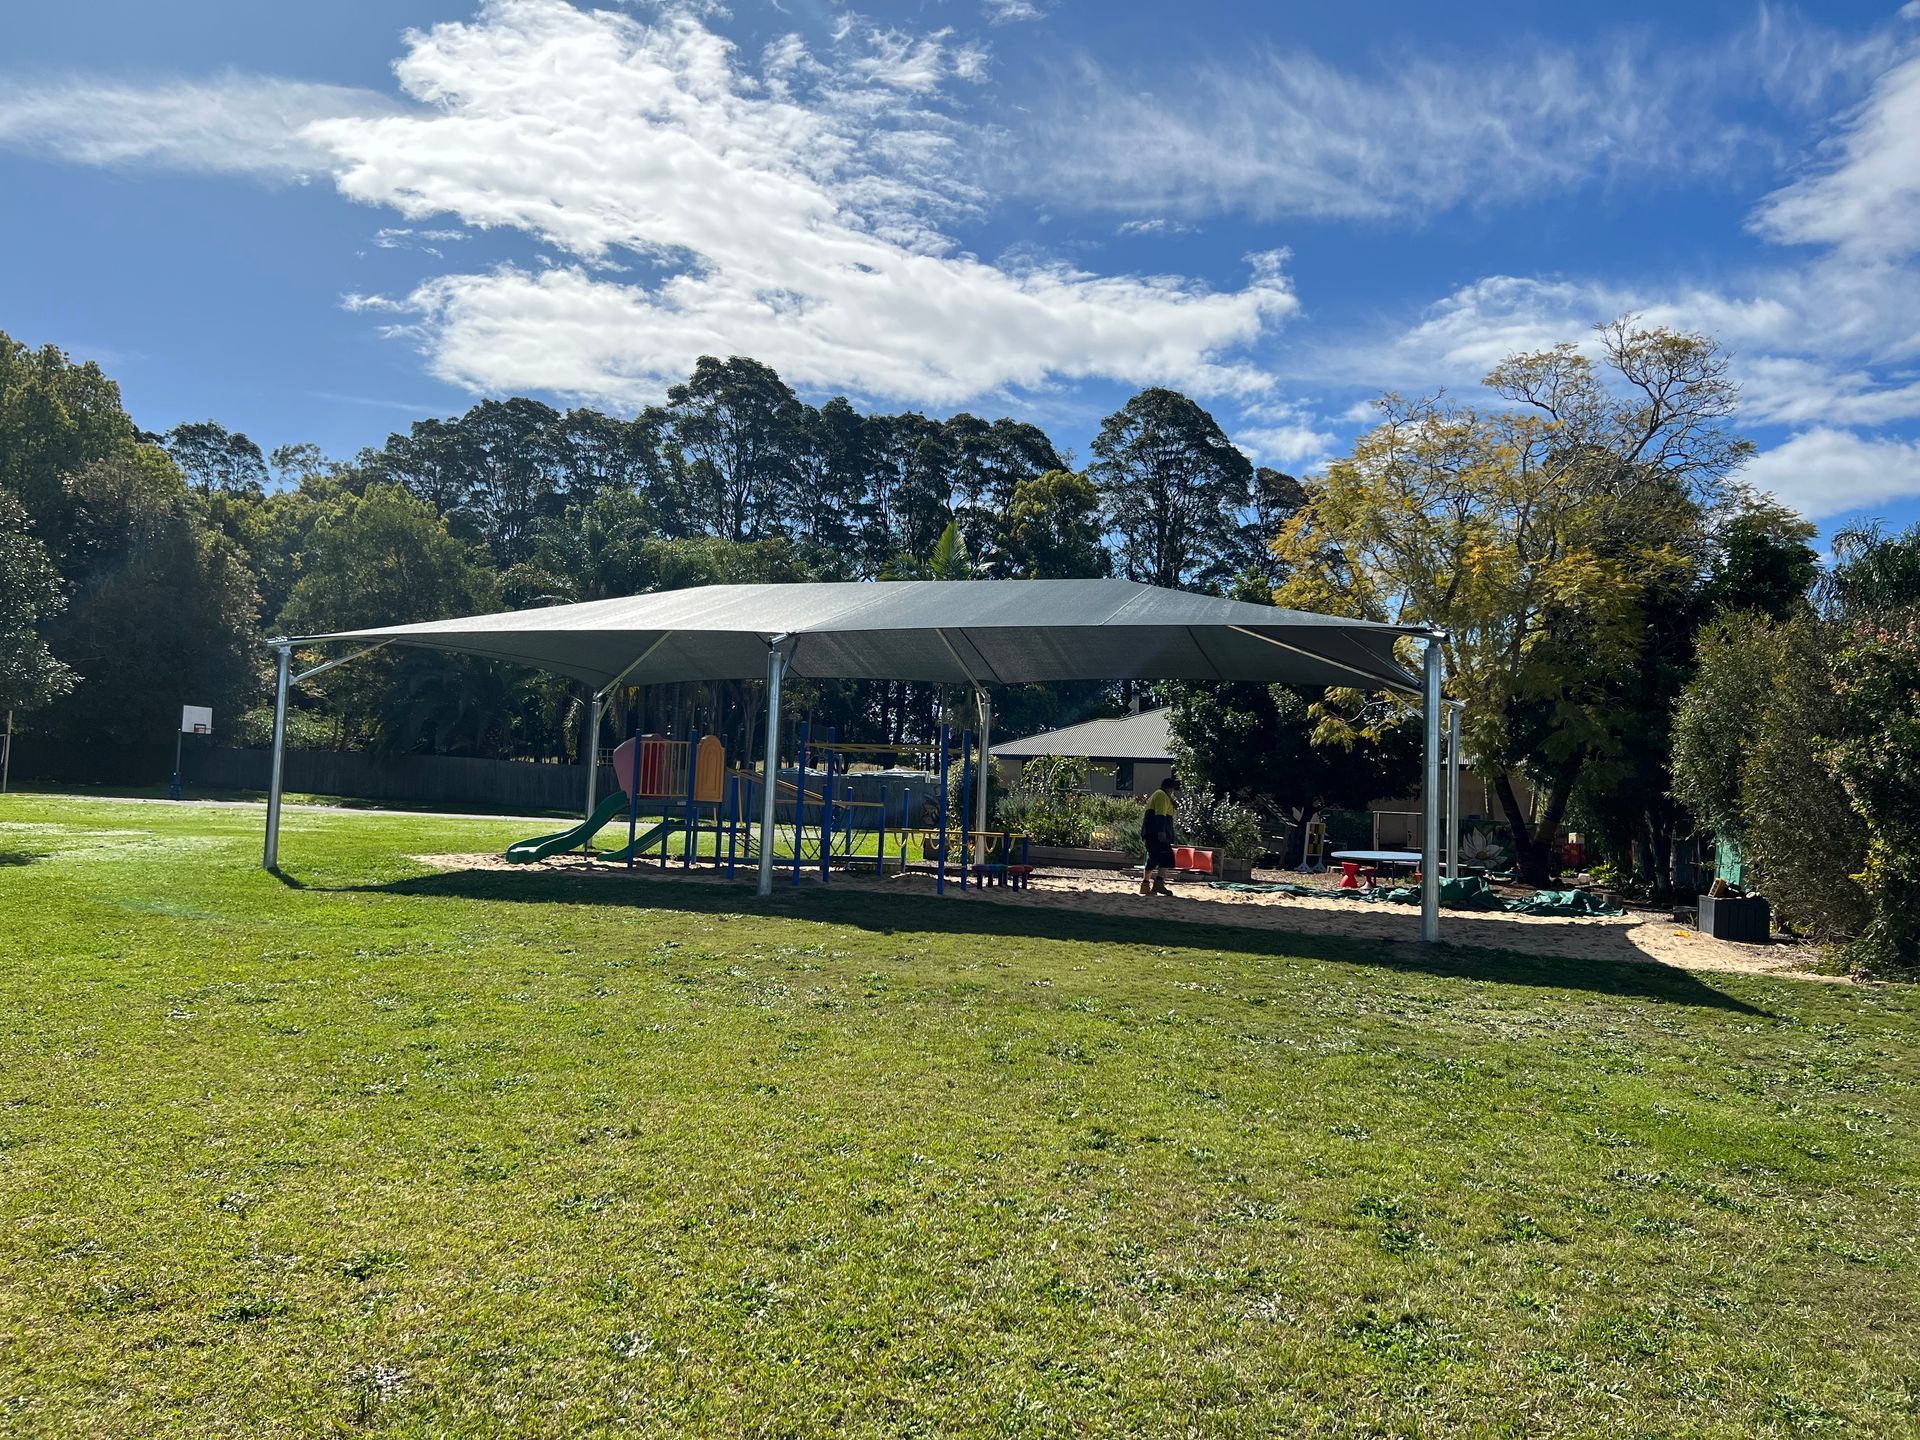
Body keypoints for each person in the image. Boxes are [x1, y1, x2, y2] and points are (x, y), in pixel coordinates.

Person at [1139, 775, 1180, 896]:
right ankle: (1156, 884)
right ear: (1170, 789)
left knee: (1156, 858)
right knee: (1164, 858)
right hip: (1157, 834)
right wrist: (1162, 833)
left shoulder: (1159, 795)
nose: (1172, 793)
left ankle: (1147, 885)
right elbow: (1160, 815)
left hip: (1151, 833)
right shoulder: (1161, 796)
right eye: (1172, 790)